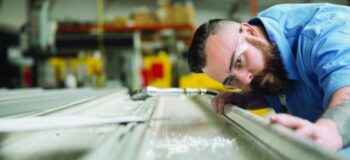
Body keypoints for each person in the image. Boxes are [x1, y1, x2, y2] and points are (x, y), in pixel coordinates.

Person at [187, 3, 350, 152]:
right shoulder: (266, 46)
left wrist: (329, 132)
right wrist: (252, 99)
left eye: (238, 62)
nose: (245, 80)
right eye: (231, 80)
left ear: (250, 31)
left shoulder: (325, 33)